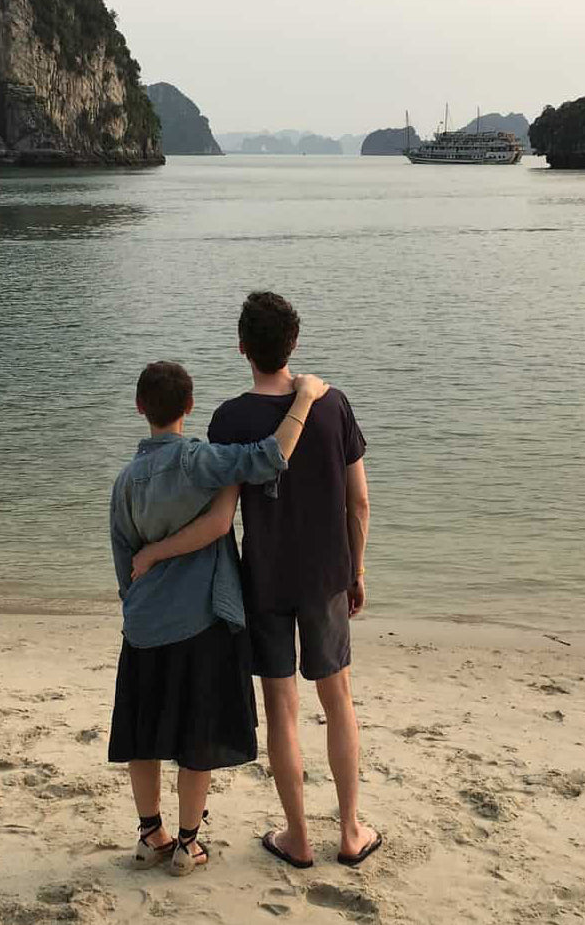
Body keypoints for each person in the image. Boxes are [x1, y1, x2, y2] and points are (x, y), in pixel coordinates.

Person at [133, 293, 380, 869]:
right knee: (337, 699)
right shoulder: (332, 403)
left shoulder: (228, 418)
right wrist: (357, 569)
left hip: (264, 579)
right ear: (293, 344)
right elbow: (359, 501)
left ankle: (297, 836)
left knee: (281, 707)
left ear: (242, 346)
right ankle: (348, 831)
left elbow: (221, 519)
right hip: (326, 576)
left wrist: (156, 552)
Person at [108, 361, 328, 877]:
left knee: (143, 733)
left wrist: (137, 597)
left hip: (143, 625)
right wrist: (306, 397)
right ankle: (187, 843)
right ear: (189, 406)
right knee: (195, 736)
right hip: (202, 619)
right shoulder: (200, 462)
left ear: (140, 408)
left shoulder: (125, 481)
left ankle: (148, 835)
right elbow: (271, 456)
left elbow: (124, 558)